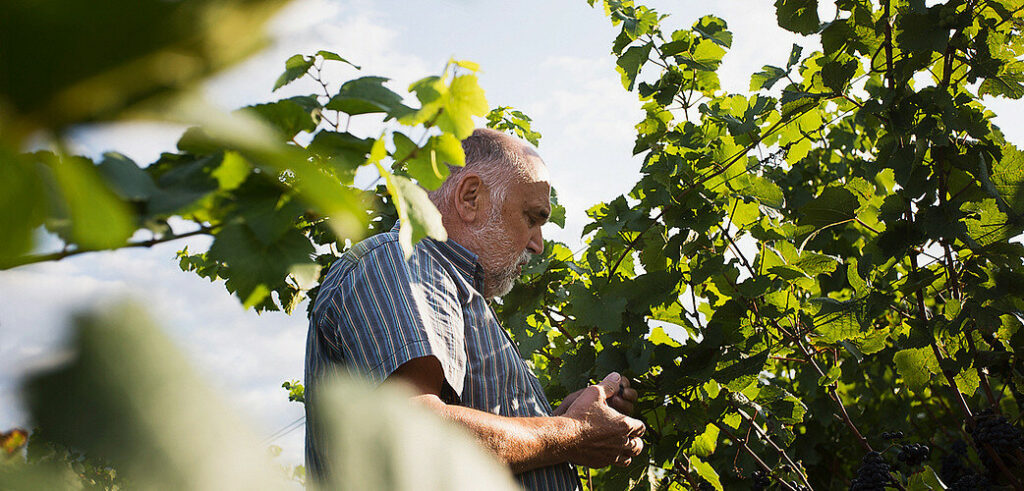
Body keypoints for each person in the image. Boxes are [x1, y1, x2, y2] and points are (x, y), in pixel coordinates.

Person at [304, 128, 645, 490]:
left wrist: (561, 423)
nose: (537, 244)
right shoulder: (401, 261)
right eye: (532, 217)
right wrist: (571, 432)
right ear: (470, 198)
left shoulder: (450, 287)